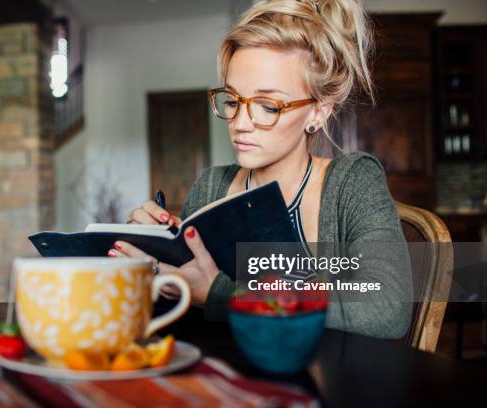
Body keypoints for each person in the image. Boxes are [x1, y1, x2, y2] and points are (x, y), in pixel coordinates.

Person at [108, 0, 412, 339]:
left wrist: (218, 293)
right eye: (233, 101)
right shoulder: (211, 186)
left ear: (319, 112)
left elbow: (387, 309)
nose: (240, 123)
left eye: (268, 106)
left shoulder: (353, 183)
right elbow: (181, 325)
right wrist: (149, 261)